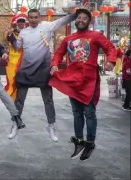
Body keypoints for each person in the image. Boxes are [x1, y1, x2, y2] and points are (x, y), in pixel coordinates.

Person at [49, 8, 116, 161]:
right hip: (73, 79)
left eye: (84, 18)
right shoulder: (69, 38)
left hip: (88, 80)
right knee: (76, 112)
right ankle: (79, 140)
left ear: (89, 21)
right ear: (75, 20)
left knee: (89, 112)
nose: (80, 20)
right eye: (78, 17)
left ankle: (90, 142)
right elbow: (59, 53)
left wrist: (111, 61)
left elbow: (110, 48)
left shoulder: (96, 36)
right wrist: (54, 64)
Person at [7, 8, 77, 141]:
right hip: (26, 69)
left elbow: (63, 20)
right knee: (19, 100)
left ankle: (51, 125)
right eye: (31, 17)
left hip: (43, 69)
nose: (33, 19)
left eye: (35, 17)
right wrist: (10, 36)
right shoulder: (23, 32)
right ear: (28, 19)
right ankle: (15, 123)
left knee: (48, 100)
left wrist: (78, 13)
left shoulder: (47, 26)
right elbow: (17, 47)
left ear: (39, 17)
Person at [4, 13, 28, 100]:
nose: (21, 24)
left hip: (22, 62)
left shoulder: (28, 33)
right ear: (16, 23)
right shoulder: (9, 33)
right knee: (11, 82)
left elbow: (19, 46)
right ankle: (11, 102)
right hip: (11, 62)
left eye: (23, 22)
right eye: (19, 22)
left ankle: (17, 102)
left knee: (19, 83)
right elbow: (6, 43)